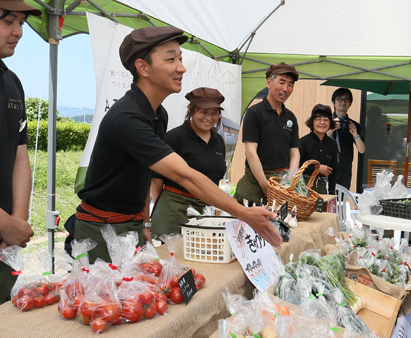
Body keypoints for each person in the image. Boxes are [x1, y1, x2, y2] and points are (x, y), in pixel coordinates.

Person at [75, 26, 281, 263]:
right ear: (143, 67)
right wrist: (243, 213)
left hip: (131, 224)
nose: (181, 67)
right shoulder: (127, 119)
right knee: (102, 299)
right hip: (101, 229)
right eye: (171, 59)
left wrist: (144, 222)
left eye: (180, 59)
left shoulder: (157, 113)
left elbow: (142, 173)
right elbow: (186, 176)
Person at [0, 0, 40, 310]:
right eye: (8, 21)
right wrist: (7, 224)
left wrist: (16, 223)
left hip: (0, 245)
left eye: (21, 22)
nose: (19, 32)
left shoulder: (10, 80)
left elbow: (20, 153)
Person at [149, 87, 227, 238]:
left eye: (214, 113)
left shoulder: (218, 141)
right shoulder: (174, 137)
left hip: (205, 212)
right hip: (174, 210)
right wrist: (163, 207)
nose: (209, 118)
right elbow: (156, 178)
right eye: (203, 112)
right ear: (190, 109)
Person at [234, 63, 301, 205]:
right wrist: (265, 185)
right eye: (281, 82)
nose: (285, 89)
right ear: (269, 82)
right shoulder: (255, 113)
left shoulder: (290, 117)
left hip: (281, 183)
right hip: (256, 182)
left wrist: (289, 181)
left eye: (290, 84)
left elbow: (294, 152)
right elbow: (250, 152)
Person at [329, 87, 364, 193]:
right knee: (327, 203)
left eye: (346, 99)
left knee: (341, 202)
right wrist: (331, 128)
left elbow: (362, 150)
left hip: (345, 170)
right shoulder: (325, 122)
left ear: (350, 103)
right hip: (327, 169)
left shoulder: (353, 125)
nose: (343, 102)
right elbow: (317, 142)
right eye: (339, 99)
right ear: (333, 102)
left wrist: (355, 134)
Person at [298, 104, 338, 195]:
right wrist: (317, 169)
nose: (322, 123)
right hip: (303, 189)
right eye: (318, 119)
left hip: (322, 188)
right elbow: (296, 168)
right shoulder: (303, 142)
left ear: (330, 123)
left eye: (326, 120)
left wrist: (332, 193)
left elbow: (334, 171)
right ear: (312, 122)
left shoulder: (332, 144)